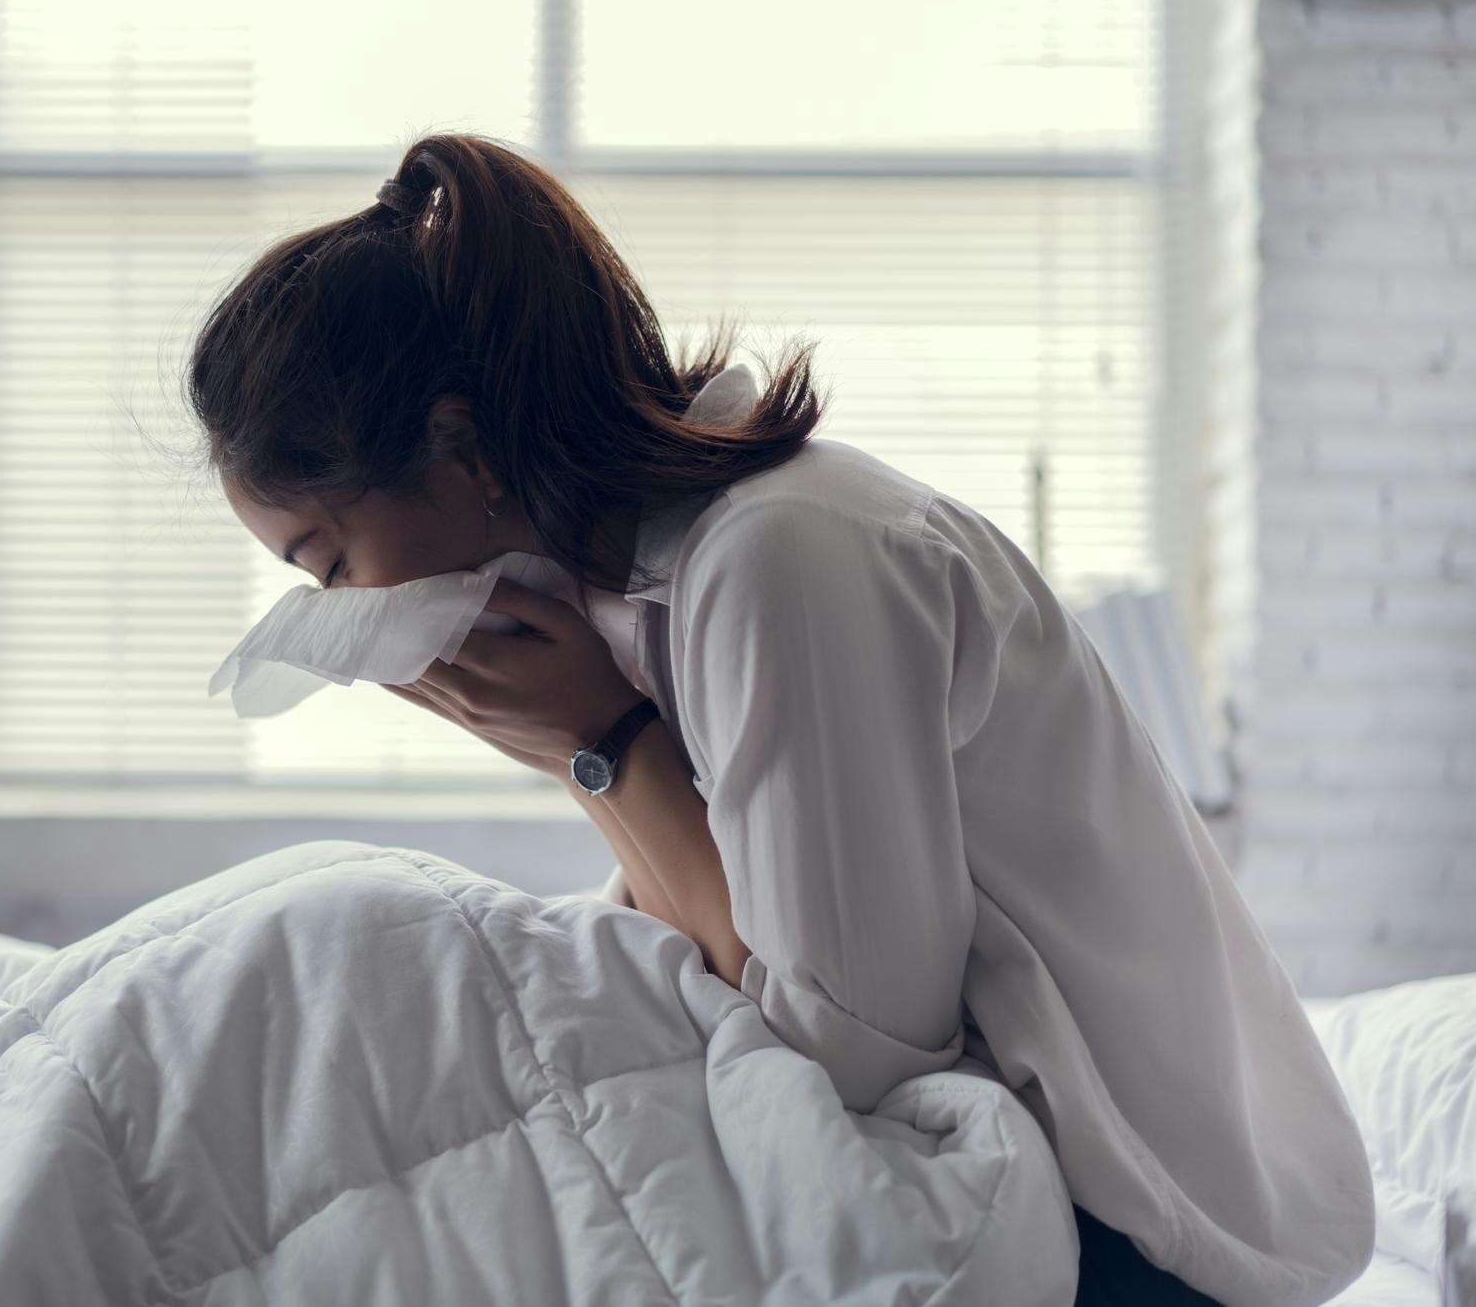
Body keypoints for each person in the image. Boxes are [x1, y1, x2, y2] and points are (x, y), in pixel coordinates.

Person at [185, 130, 1375, 1306]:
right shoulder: (638, 595)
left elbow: (849, 1049)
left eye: (329, 561)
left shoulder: (780, 556)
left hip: (1140, 1216)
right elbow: (711, 950)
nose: (344, 611)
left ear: (456, 447)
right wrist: (584, 747)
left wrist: (599, 743)